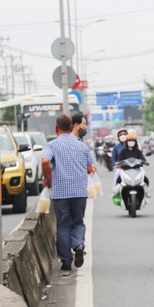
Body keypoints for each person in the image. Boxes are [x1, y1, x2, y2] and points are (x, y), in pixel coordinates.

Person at [41, 114, 96, 271]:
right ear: (72, 128)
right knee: (78, 222)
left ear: (56, 128)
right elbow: (90, 168)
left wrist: (47, 177)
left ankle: (66, 262)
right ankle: (78, 245)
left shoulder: (52, 145)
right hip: (79, 191)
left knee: (63, 225)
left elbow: (45, 161)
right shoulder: (82, 146)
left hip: (61, 193)